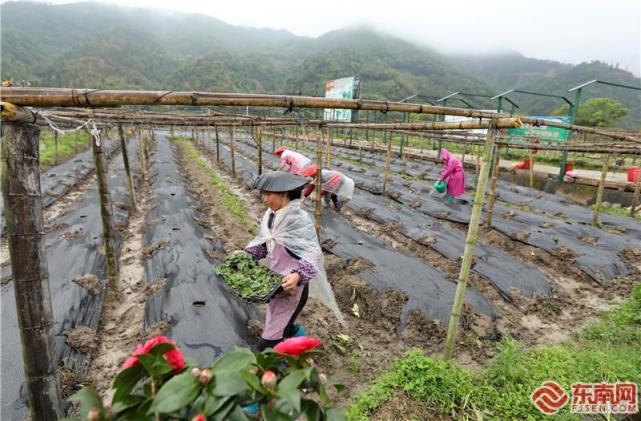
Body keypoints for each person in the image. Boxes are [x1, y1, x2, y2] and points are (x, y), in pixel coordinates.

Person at [243, 171, 324, 351]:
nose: (265, 199)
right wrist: (246, 255)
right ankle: (297, 345)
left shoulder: (297, 219)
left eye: (268, 194)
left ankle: (279, 360)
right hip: (276, 284)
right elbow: (266, 242)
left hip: (292, 288)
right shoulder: (272, 216)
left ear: (284, 194)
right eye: (264, 194)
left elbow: (312, 252)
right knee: (280, 325)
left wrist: (297, 275)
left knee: (270, 339)